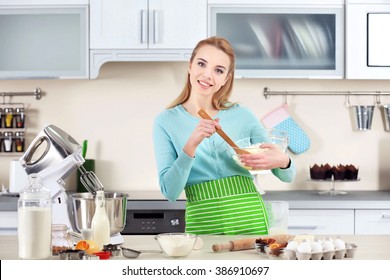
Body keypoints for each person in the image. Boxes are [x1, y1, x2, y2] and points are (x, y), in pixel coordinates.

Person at [153, 36, 296, 235]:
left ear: (226, 79)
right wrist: (191, 146)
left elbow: (288, 176)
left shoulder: (242, 115)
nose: (207, 75)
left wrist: (283, 160)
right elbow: (170, 192)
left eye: (218, 70)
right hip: (204, 226)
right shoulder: (166, 121)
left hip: (251, 220)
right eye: (202, 64)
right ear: (190, 66)